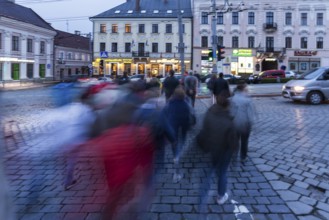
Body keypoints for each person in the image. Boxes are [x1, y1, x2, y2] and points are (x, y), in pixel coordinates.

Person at [197, 90, 237, 208]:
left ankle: (203, 194)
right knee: (222, 172)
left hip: (214, 146)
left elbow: (204, 129)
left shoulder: (210, 111)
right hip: (225, 148)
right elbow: (233, 136)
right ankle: (220, 196)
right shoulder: (230, 115)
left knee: (211, 170)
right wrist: (235, 150)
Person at [164, 86, 193, 182]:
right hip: (184, 124)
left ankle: (175, 155)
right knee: (182, 140)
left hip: (173, 124)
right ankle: (178, 154)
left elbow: (165, 113)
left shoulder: (170, 103)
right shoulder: (186, 103)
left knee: (174, 140)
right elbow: (191, 114)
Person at [230, 83, 256, 162]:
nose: (247, 91)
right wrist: (252, 122)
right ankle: (243, 157)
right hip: (245, 124)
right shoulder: (247, 100)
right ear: (243, 90)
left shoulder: (232, 99)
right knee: (244, 141)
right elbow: (250, 113)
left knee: (235, 140)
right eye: (246, 89)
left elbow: (230, 112)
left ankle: (234, 155)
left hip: (235, 123)